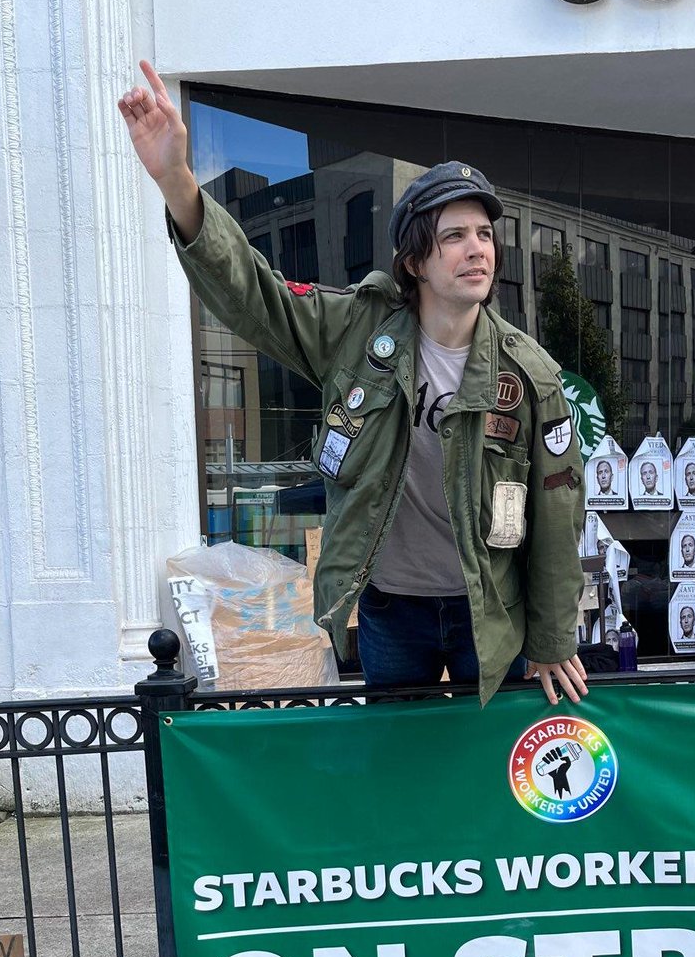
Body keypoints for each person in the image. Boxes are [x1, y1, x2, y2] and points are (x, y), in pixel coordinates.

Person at [118, 62, 587, 706]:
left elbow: (557, 512)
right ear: (416, 260)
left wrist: (555, 637)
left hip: (491, 614)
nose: (476, 248)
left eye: (484, 234)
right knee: (395, 779)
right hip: (392, 610)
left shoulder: (529, 375)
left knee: (491, 781)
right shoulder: (357, 333)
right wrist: (176, 180)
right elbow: (258, 299)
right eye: (454, 236)